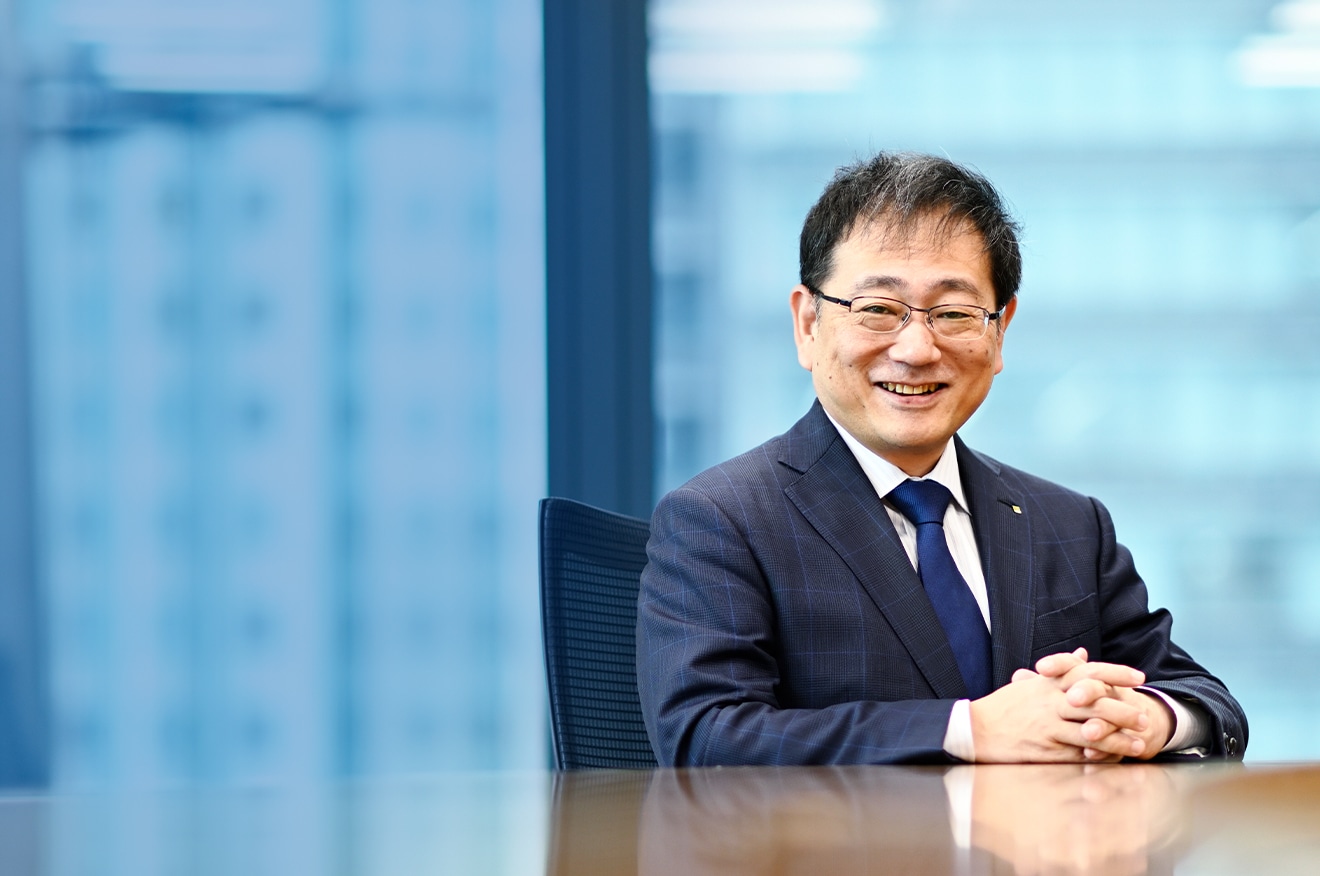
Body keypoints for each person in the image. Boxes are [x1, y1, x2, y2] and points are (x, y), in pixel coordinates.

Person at [636, 152, 1248, 766]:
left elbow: (1203, 700)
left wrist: (1147, 718)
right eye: (878, 310)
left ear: (999, 331)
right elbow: (705, 738)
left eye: (954, 314)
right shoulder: (723, 520)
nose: (916, 349)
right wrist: (969, 730)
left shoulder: (1070, 524)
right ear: (808, 325)